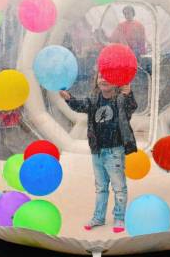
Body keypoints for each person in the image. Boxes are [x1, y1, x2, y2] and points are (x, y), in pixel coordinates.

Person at [59, 73, 137, 233]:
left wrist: (128, 94)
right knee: (101, 187)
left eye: (108, 76)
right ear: (96, 81)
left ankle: (119, 217)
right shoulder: (93, 100)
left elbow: (132, 107)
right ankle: (99, 217)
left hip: (115, 149)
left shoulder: (120, 100)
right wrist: (68, 98)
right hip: (97, 151)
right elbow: (79, 105)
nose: (104, 79)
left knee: (118, 187)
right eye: (100, 76)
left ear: (116, 82)